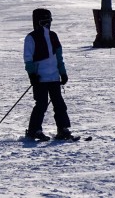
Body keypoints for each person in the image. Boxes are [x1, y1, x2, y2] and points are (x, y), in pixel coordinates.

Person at [23, 8, 72, 141]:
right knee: (41, 104)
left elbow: (59, 57)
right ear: (36, 22)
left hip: (54, 77)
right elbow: (28, 58)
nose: (47, 25)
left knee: (59, 104)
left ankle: (63, 129)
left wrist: (63, 73)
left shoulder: (53, 36)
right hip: (40, 78)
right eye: (43, 22)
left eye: (48, 21)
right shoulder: (31, 37)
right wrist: (32, 75)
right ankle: (34, 130)